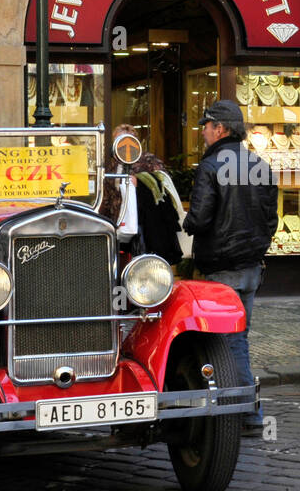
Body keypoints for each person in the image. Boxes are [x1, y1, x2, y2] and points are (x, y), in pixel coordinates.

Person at [183, 100, 277, 430]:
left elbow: (201, 217)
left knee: (230, 343)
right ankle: (236, 410)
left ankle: (248, 415)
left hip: (223, 270)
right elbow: (271, 219)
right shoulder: (260, 165)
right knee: (238, 340)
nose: (203, 132)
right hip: (251, 267)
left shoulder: (209, 167)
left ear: (220, 129)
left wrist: (187, 223)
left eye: (206, 126)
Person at [101, 124, 185, 263]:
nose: (124, 146)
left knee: (142, 262)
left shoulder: (147, 160)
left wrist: (140, 183)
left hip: (144, 222)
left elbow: (164, 181)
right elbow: (108, 197)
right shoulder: (114, 165)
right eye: (119, 141)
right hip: (118, 223)